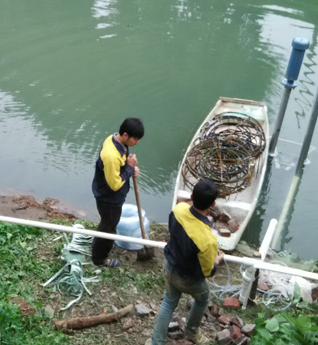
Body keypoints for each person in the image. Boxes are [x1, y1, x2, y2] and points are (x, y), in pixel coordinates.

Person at [146, 178, 224, 345]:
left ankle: (156, 341)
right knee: (203, 299)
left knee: (168, 302)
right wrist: (217, 261)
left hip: (170, 267)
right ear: (213, 205)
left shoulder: (178, 210)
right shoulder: (208, 239)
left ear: (191, 196)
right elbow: (207, 271)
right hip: (189, 279)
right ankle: (191, 331)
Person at [91, 117, 144, 268]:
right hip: (109, 199)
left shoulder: (114, 139)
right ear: (126, 135)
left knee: (107, 224)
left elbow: (121, 165)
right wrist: (128, 168)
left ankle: (100, 243)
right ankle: (99, 258)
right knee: (109, 227)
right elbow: (114, 185)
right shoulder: (111, 155)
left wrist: (130, 168)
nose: (137, 142)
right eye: (136, 139)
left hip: (108, 195)